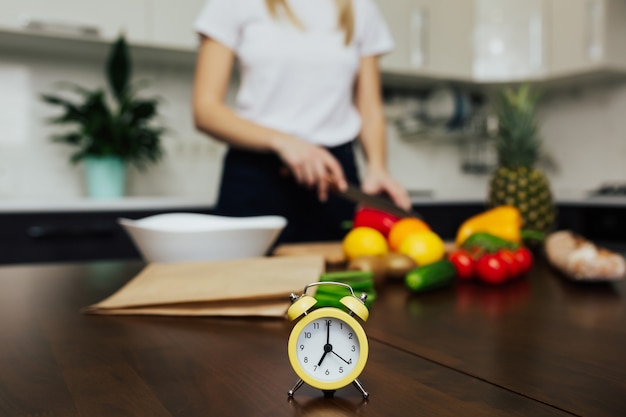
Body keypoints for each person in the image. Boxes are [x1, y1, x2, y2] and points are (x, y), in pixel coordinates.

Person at [192, 0, 411, 244]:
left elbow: (369, 108)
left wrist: (378, 167)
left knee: (334, 279)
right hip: (255, 175)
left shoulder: (360, 7)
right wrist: (285, 142)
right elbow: (206, 109)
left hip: (334, 179)